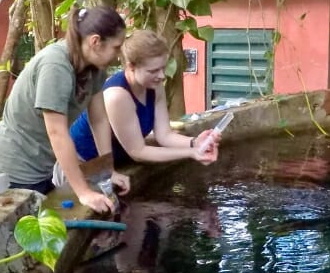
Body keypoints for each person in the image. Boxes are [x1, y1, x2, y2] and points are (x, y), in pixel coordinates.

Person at [0, 5, 129, 214]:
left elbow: (100, 119)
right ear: (95, 42)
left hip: (41, 171)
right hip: (9, 173)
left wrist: (107, 172)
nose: (119, 54)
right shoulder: (55, 65)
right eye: (116, 47)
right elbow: (57, 132)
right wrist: (83, 192)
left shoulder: (95, 68)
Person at [66, 30, 219, 170]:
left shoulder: (154, 85)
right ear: (131, 66)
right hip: (83, 163)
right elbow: (138, 152)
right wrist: (191, 153)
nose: (161, 76)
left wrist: (195, 142)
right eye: (153, 71)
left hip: (116, 162)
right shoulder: (117, 96)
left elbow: (164, 135)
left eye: (163, 68)